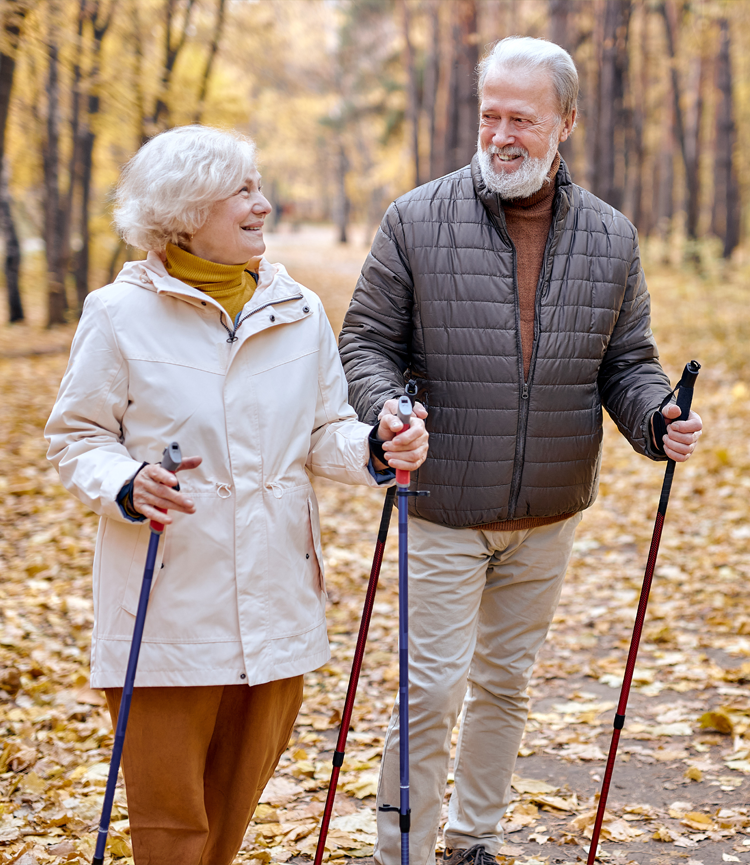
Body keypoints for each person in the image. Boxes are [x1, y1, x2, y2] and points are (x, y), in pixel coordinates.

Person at [338, 36, 702, 865]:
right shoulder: (415, 217)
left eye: (522, 119)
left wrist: (656, 418)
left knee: (505, 684)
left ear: (565, 122)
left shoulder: (611, 236)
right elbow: (364, 342)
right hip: (440, 500)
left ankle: (474, 840)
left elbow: (628, 362)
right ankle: (402, 850)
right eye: (489, 114)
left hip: (548, 511)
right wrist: (389, 409)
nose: (501, 134)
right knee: (428, 692)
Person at [45, 125, 428, 865]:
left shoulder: (299, 310)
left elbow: (324, 432)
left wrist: (378, 447)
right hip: (166, 602)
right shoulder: (118, 314)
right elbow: (76, 436)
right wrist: (125, 481)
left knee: (229, 811)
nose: (265, 204)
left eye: (259, 186)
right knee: (171, 819)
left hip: (275, 594)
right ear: (188, 211)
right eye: (243, 191)